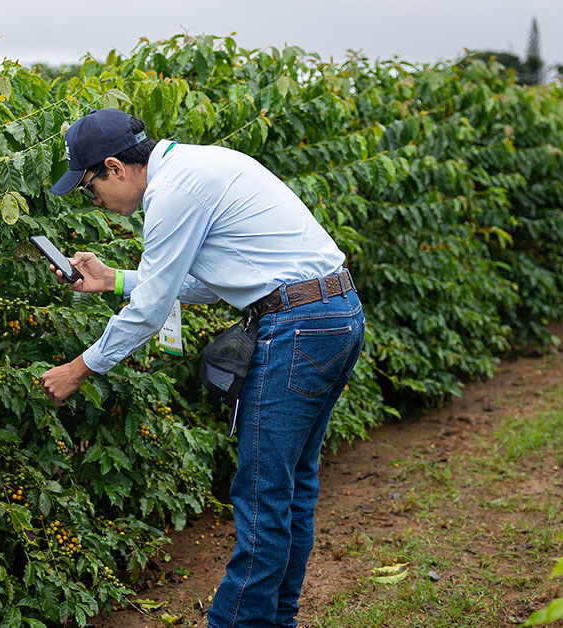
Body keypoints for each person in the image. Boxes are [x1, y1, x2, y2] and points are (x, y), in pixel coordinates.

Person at [39, 108, 365, 627]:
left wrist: (80, 367)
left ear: (114, 167)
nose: (94, 199)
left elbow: (151, 309)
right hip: (331, 314)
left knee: (262, 494)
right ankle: (275, 621)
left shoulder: (173, 195)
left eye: (89, 186)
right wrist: (111, 281)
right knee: (289, 488)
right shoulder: (194, 168)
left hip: (299, 325)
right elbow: (219, 282)